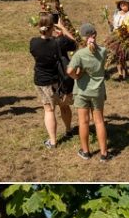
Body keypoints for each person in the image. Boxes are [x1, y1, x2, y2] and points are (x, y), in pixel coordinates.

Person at [30, 14, 76, 148]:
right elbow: (74, 43)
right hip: (60, 81)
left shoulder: (33, 42)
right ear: (53, 27)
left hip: (42, 80)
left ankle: (53, 141)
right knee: (64, 106)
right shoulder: (60, 42)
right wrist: (63, 29)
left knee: (49, 110)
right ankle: (68, 130)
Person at [67, 22, 110, 161]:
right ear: (95, 35)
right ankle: (104, 153)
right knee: (99, 121)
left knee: (84, 122)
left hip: (82, 91)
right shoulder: (103, 51)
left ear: (83, 37)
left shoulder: (80, 54)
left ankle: (85, 151)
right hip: (97, 91)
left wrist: (77, 76)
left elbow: (69, 71)